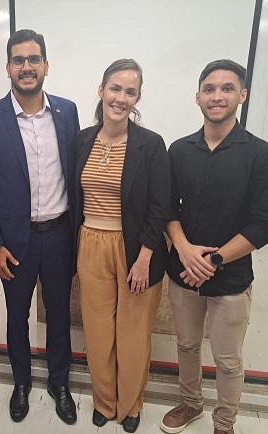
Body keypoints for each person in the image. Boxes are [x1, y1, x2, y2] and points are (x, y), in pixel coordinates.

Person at [160, 60, 268, 434]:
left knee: (228, 360)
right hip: (183, 272)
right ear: (197, 97)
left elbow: (264, 225)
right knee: (186, 345)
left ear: (242, 95)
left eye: (227, 88)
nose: (217, 96)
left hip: (231, 277)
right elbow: (168, 209)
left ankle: (224, 422)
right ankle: (191, 403)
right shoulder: (178, 150)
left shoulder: (263, 155)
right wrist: (184, 249)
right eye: (209, 89)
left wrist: (213, 259)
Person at [0, 29, 80, 424]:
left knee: (59, 316)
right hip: (14, 242)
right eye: (19, 60)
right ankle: (21, 382)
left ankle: (59, 382)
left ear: (46, 65)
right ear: (7, 68)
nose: (27, 67)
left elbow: (75, 174)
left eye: (34, 59)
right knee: (16, 316)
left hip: (60, 235)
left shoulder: (67, 111)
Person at [72, 59, 170, 433]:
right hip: (90, 244)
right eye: (115, 88)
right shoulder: (81, 140)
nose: (121, 98)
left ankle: (130, 405)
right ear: (101, 91)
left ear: (137, 98)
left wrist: (144, 257)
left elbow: (160, 207)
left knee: (132, 335)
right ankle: (104, 401)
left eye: (130, 92)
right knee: (98, 333)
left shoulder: (151, 144)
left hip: (136, 250)